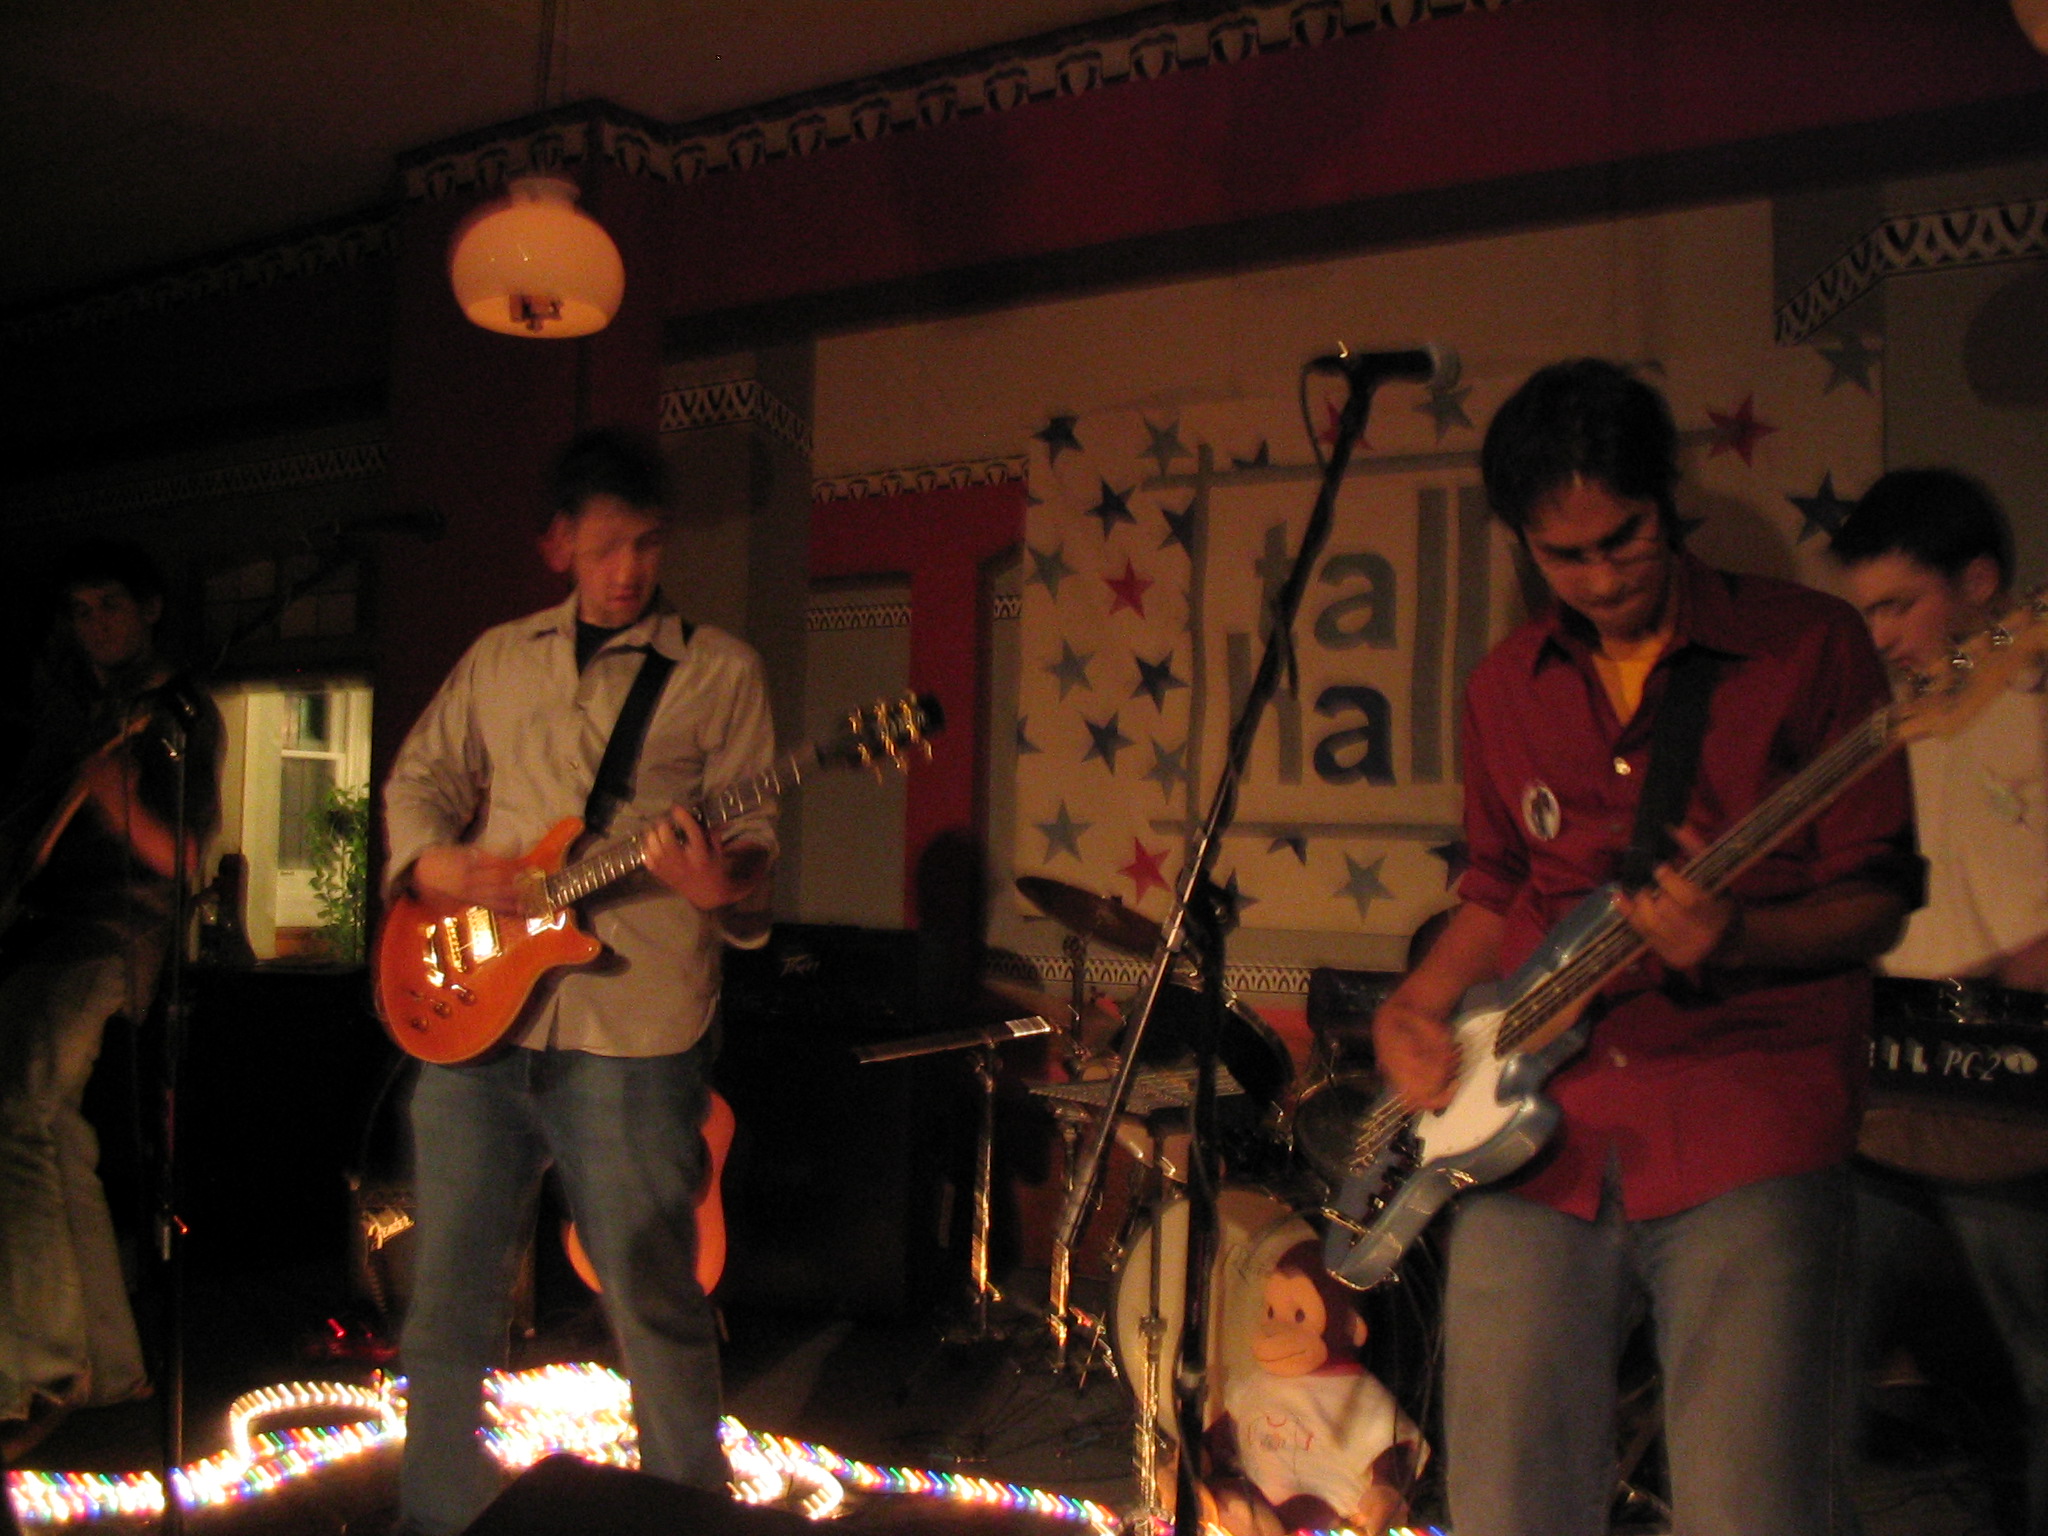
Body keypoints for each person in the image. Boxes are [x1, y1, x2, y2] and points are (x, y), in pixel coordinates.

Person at [1370, 358, 1921, 1535]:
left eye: (1621, 539)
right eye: (1562, 555)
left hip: (1746, 1117)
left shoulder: (1808, 646)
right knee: (1505, 1501)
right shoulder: (1502, 687)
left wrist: (1738, 935)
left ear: (1668, 503)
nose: (1600, 576)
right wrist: (1413, 1005)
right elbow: (1496, 887)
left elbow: (1873, 899)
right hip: (1536, 1140)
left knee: (1749, 1506)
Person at [382, 427, 777, 1535]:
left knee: (653, 1300)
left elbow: (753, 845)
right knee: (447, 1297)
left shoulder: (718, 670)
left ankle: (684, 1518)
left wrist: (717, 884)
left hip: (634, 1028)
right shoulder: (498, 658)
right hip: (477, 1020)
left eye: (647, 544)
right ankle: (436, 1517)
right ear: (556, 544)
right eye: (605, 547)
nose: (628, 570)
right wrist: (433, 866)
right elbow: (419, 779)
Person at [1832, 467, 2048, 1536]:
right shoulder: (1889, 731)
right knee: (1816, 1366)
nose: (1879, 636)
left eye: (1897, 605)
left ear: (1979, 583)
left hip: (2018, 1114)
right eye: (1864, 612)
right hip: (1889, 1109)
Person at [0, 541, 221, 1459]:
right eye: (82, 610)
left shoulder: (174, 712)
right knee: (51, 1133)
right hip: (45, 930)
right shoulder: (75, 711)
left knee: (23, 1114)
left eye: (112, 606)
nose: (96, 624)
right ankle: (108, 1363)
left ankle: (45, 1366)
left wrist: (117, 799)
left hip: (115, 933)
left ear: (151, 609)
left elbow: (188, 858)